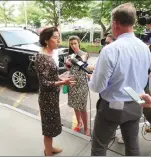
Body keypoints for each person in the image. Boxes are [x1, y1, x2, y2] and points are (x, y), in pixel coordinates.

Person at [88, 3, 151, 156]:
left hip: (112, 107)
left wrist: (92, 79)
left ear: (115, 23)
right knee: (133, 146)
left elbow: (97, 86)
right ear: (133, 22)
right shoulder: (144, 47)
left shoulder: (110, 49)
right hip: (136, 103)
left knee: (99, 147)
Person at [35, 27, 76, 156]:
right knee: (48, 127)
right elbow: (44, 83)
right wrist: (63, 82)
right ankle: (48, 152)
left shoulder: (49, 54)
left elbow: (51, 76)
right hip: (47, 98)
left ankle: (50, 147)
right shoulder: (42, 57)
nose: (58, 40)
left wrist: (61, 78)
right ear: (46, 40)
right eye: (55, 37)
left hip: (52, 96)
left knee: (52, 125)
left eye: (59, 37)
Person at [65, 36, 90, 136]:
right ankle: (79, 123)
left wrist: (73, 59)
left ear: (79, 43)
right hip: (72, 83)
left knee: (82, 107)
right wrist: (67, 64)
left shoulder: (84, 54)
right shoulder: (69, 56)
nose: (74, 45)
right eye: (71, 44)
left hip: (82, 84)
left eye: (75, 43)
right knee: (75, 105)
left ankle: (86, 128)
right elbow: (68, 69)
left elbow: (83, 61)